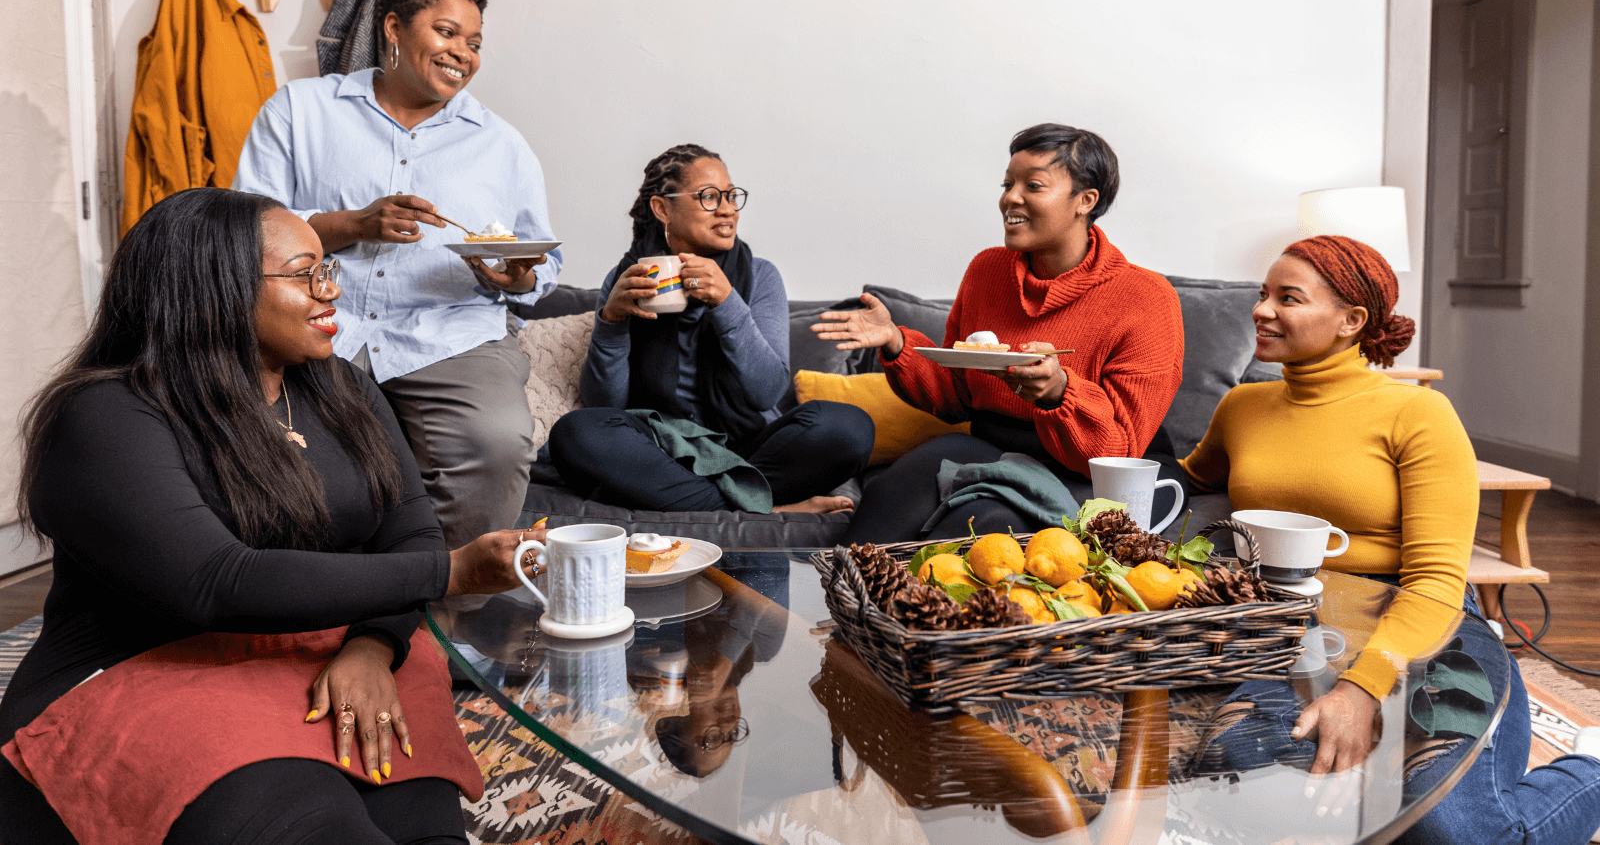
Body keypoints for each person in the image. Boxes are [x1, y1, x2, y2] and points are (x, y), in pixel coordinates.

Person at [0, 188, 543, 845]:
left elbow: (408, 529)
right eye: (304, 274)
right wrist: (453, 572)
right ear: (213, 289)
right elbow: (213, 581)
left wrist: (374, 646)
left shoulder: (340, 385)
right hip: (151, 672)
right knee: (319, 827)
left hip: (321, 654)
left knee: (426, 832)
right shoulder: (105, 416)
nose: (330, 291)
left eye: (328, 269)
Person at [1180, 235, 1600, 844]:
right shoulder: (1242, 407)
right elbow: (1184, 484)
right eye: (1263, 294)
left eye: (1288, 298)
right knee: (1242, 793)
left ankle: (1588, 769)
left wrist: (1360, 690)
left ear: (1352, 321)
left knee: (1454, 833)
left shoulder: (1418, 415)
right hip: (1291, 627)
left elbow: (1435, 581)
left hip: (1421, 626)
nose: (1262, 310)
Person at [234, 0, 559, 547]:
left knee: (496, 440)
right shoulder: (299, 111)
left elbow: (543, 267)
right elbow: (244, 233)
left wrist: (514, 277)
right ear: (393, 28)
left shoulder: (502, 146)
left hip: (451, 330)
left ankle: (440, 600)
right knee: (266, 452)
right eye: (446, 31)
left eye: (475, 41)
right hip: (321, 325)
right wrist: (354, 224)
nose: (463, 51)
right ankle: (321, 602)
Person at [817, 124, 1186, 543]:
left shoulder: (1147, 298)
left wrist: (1059, 391)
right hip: (997, 445)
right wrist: (898, 344)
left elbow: (1117, 452)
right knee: (889, 494)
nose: (1011, 197)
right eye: (1008, 183)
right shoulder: (987, 271)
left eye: (1033, 185)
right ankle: (845, 605)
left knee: (980, 522)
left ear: (1085, 201)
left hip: (1111, 472)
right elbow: (957, 396)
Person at [547, 144, 874, 515]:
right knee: (577, 433)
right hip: (663, 449)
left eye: (732, 196)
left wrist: (726, 302)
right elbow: (606, 405)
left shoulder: (760, 276)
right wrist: (612, 322)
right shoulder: (630, 278)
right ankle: (771, 508)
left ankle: (707, 501)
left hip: (750, 445)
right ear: (662, 208)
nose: (728, 209)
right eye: (708, 197)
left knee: (850, 427)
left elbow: (767, 391)